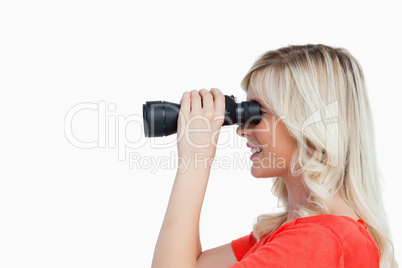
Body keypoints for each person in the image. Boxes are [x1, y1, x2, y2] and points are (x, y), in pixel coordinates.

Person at [151, 44, 397, 267]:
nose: (242, 129)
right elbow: (192, 263)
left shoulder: (318, 240)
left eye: (257, 113)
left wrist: (195, 159)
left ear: (307, 124)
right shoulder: (298, 235)